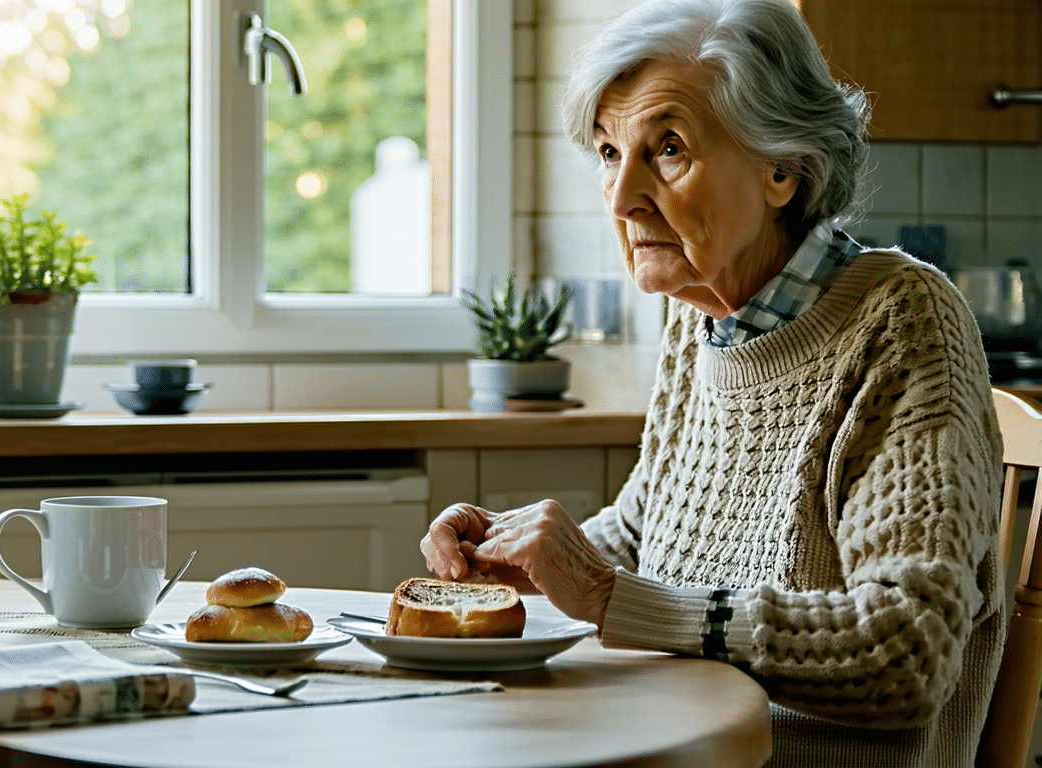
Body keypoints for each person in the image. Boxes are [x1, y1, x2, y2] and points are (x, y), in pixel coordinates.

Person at [419, 1, 1004, 766]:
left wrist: (603, 595)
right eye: (606, 151)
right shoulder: (697, 321)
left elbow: (907, 651)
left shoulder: (901, 319)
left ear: (782, 169)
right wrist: (519, 560)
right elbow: (645, 536)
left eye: (667, 149)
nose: (623, 197)